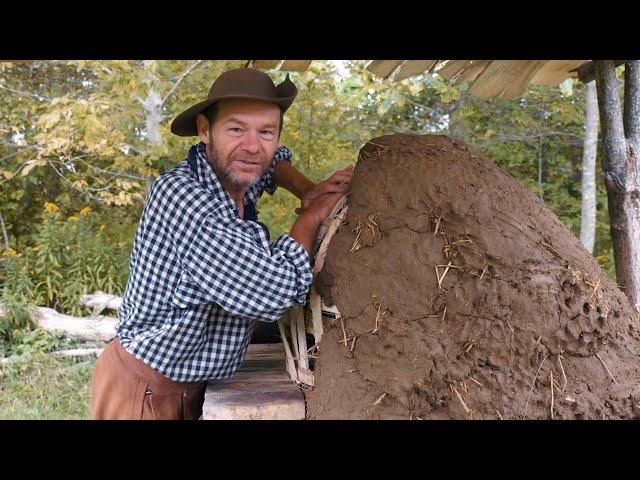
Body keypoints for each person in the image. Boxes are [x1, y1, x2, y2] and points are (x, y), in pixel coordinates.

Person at [90, 67, 353, 419]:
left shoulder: (231, 177)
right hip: (144, 390)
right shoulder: (187, 198)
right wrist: (310, 217)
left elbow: (271, 161)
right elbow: (271, 292)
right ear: (204, 130)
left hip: (186, 381)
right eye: (236, 129)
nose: (252, 146)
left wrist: (308, 190)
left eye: (266, 131)